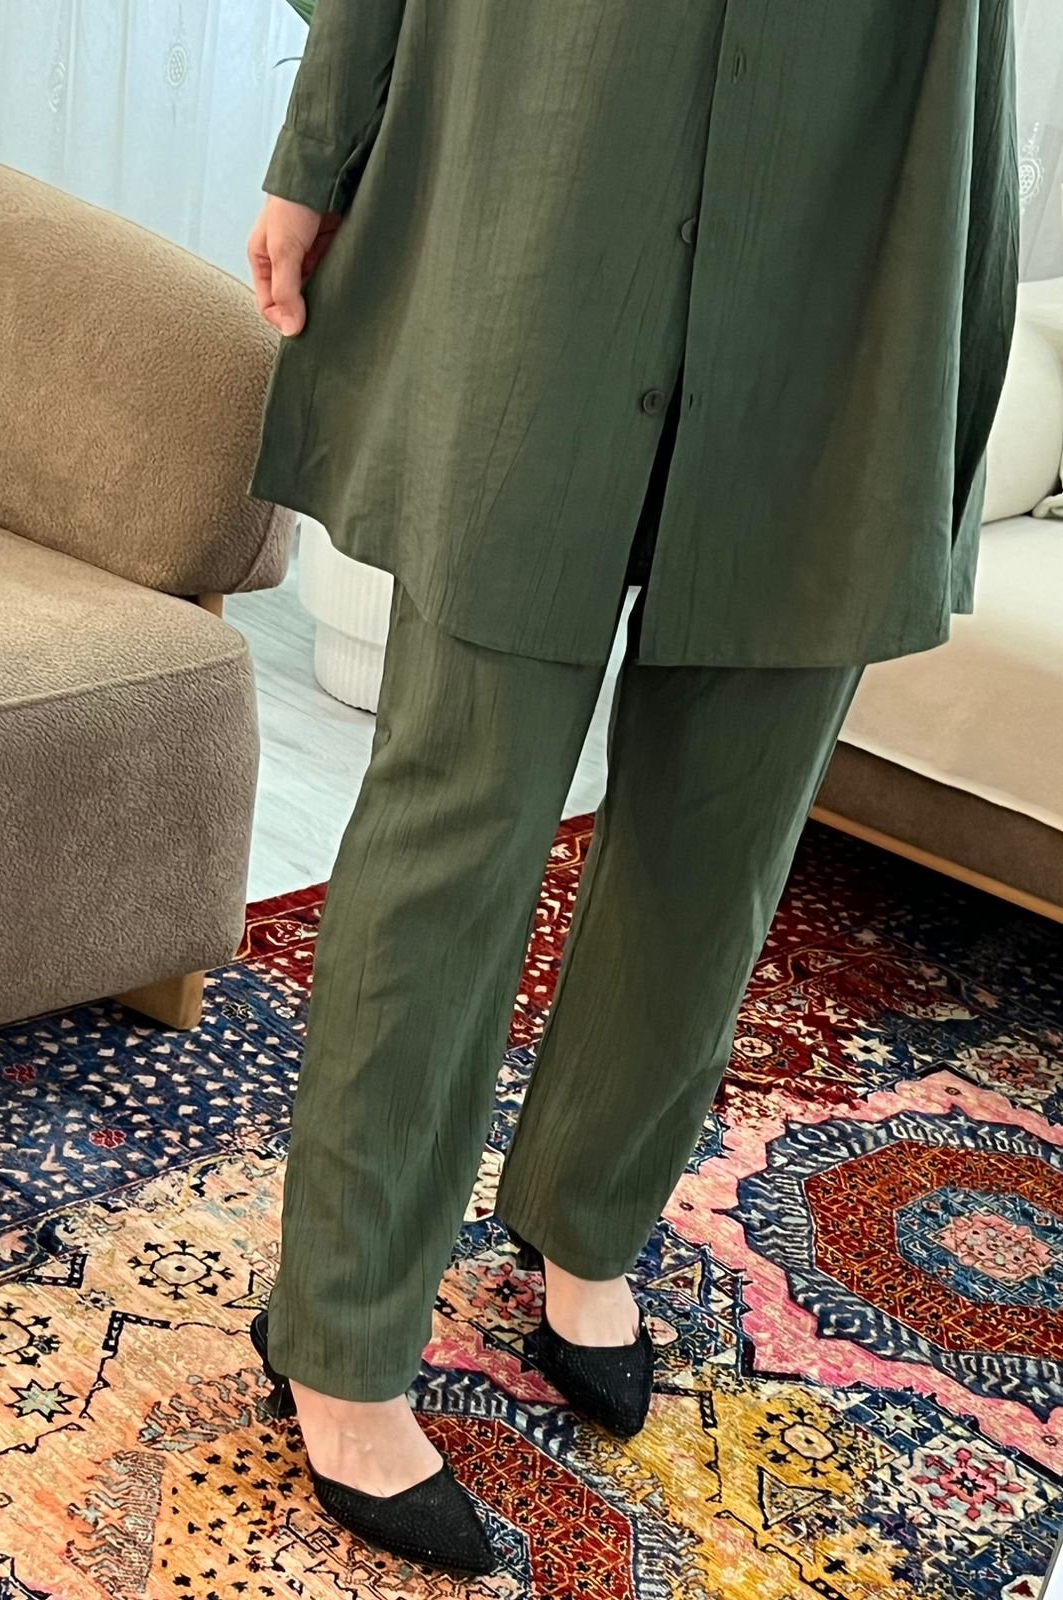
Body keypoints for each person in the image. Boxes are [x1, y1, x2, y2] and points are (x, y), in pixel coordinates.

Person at [246, 0, 1018, 1577]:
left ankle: (588, 1220)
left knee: (730, 813)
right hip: (553, 153)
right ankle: (340, 1325)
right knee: (459, 806)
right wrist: (316, 152)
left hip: (862, 193)